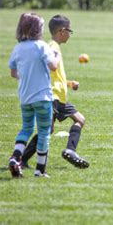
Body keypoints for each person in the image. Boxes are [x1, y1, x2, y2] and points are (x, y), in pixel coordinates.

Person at [22, 15, 89, 169]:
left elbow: (55, 76)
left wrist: (70, 83)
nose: (70, 34)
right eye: (69, 31)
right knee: (47, 129)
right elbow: (48, 65)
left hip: (60, 97)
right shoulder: (53, 46)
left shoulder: (54, 46)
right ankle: (22, 159)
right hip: (52, 96)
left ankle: (70, 151)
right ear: (61, 31)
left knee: (80, 119)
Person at [8, 13, 59, 178]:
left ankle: (16, 158)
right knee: (44, 131)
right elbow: (53, 67)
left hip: (25, 98)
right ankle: (40, 170)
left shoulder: (18, 48)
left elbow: (13, 72)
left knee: (26, 128)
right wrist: (56, 55)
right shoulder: (42, 46)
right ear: (38, 29)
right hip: (43, 97)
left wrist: (26, 75)